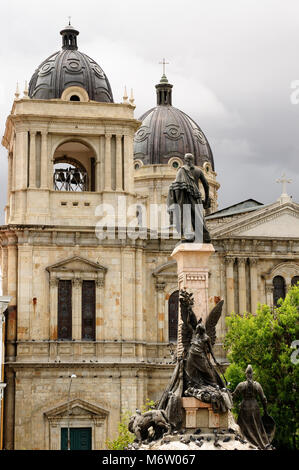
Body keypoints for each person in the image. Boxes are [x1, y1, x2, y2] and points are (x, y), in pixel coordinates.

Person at [167, 153, 211, 243]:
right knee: (199, 217)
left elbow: (176, 186)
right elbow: (206, 186)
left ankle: (185, 235)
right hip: (197, 197)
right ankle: (204, 237)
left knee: (184, 215)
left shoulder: (181, 170)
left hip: (185, 197)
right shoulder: (198, 171)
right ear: (193, 159)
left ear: (185, 160)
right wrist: (206, 200)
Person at [232, 365, 273, 449]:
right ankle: (260, 444)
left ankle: (244, 442)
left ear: (246, 374)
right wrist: (265, 411)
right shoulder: (257, 385)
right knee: (256, 427)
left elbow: (233, 396)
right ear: (252, 374)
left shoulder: (241, 385)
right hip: (255, 407)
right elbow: (264, 399)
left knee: (242, 427)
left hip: (244, 407)